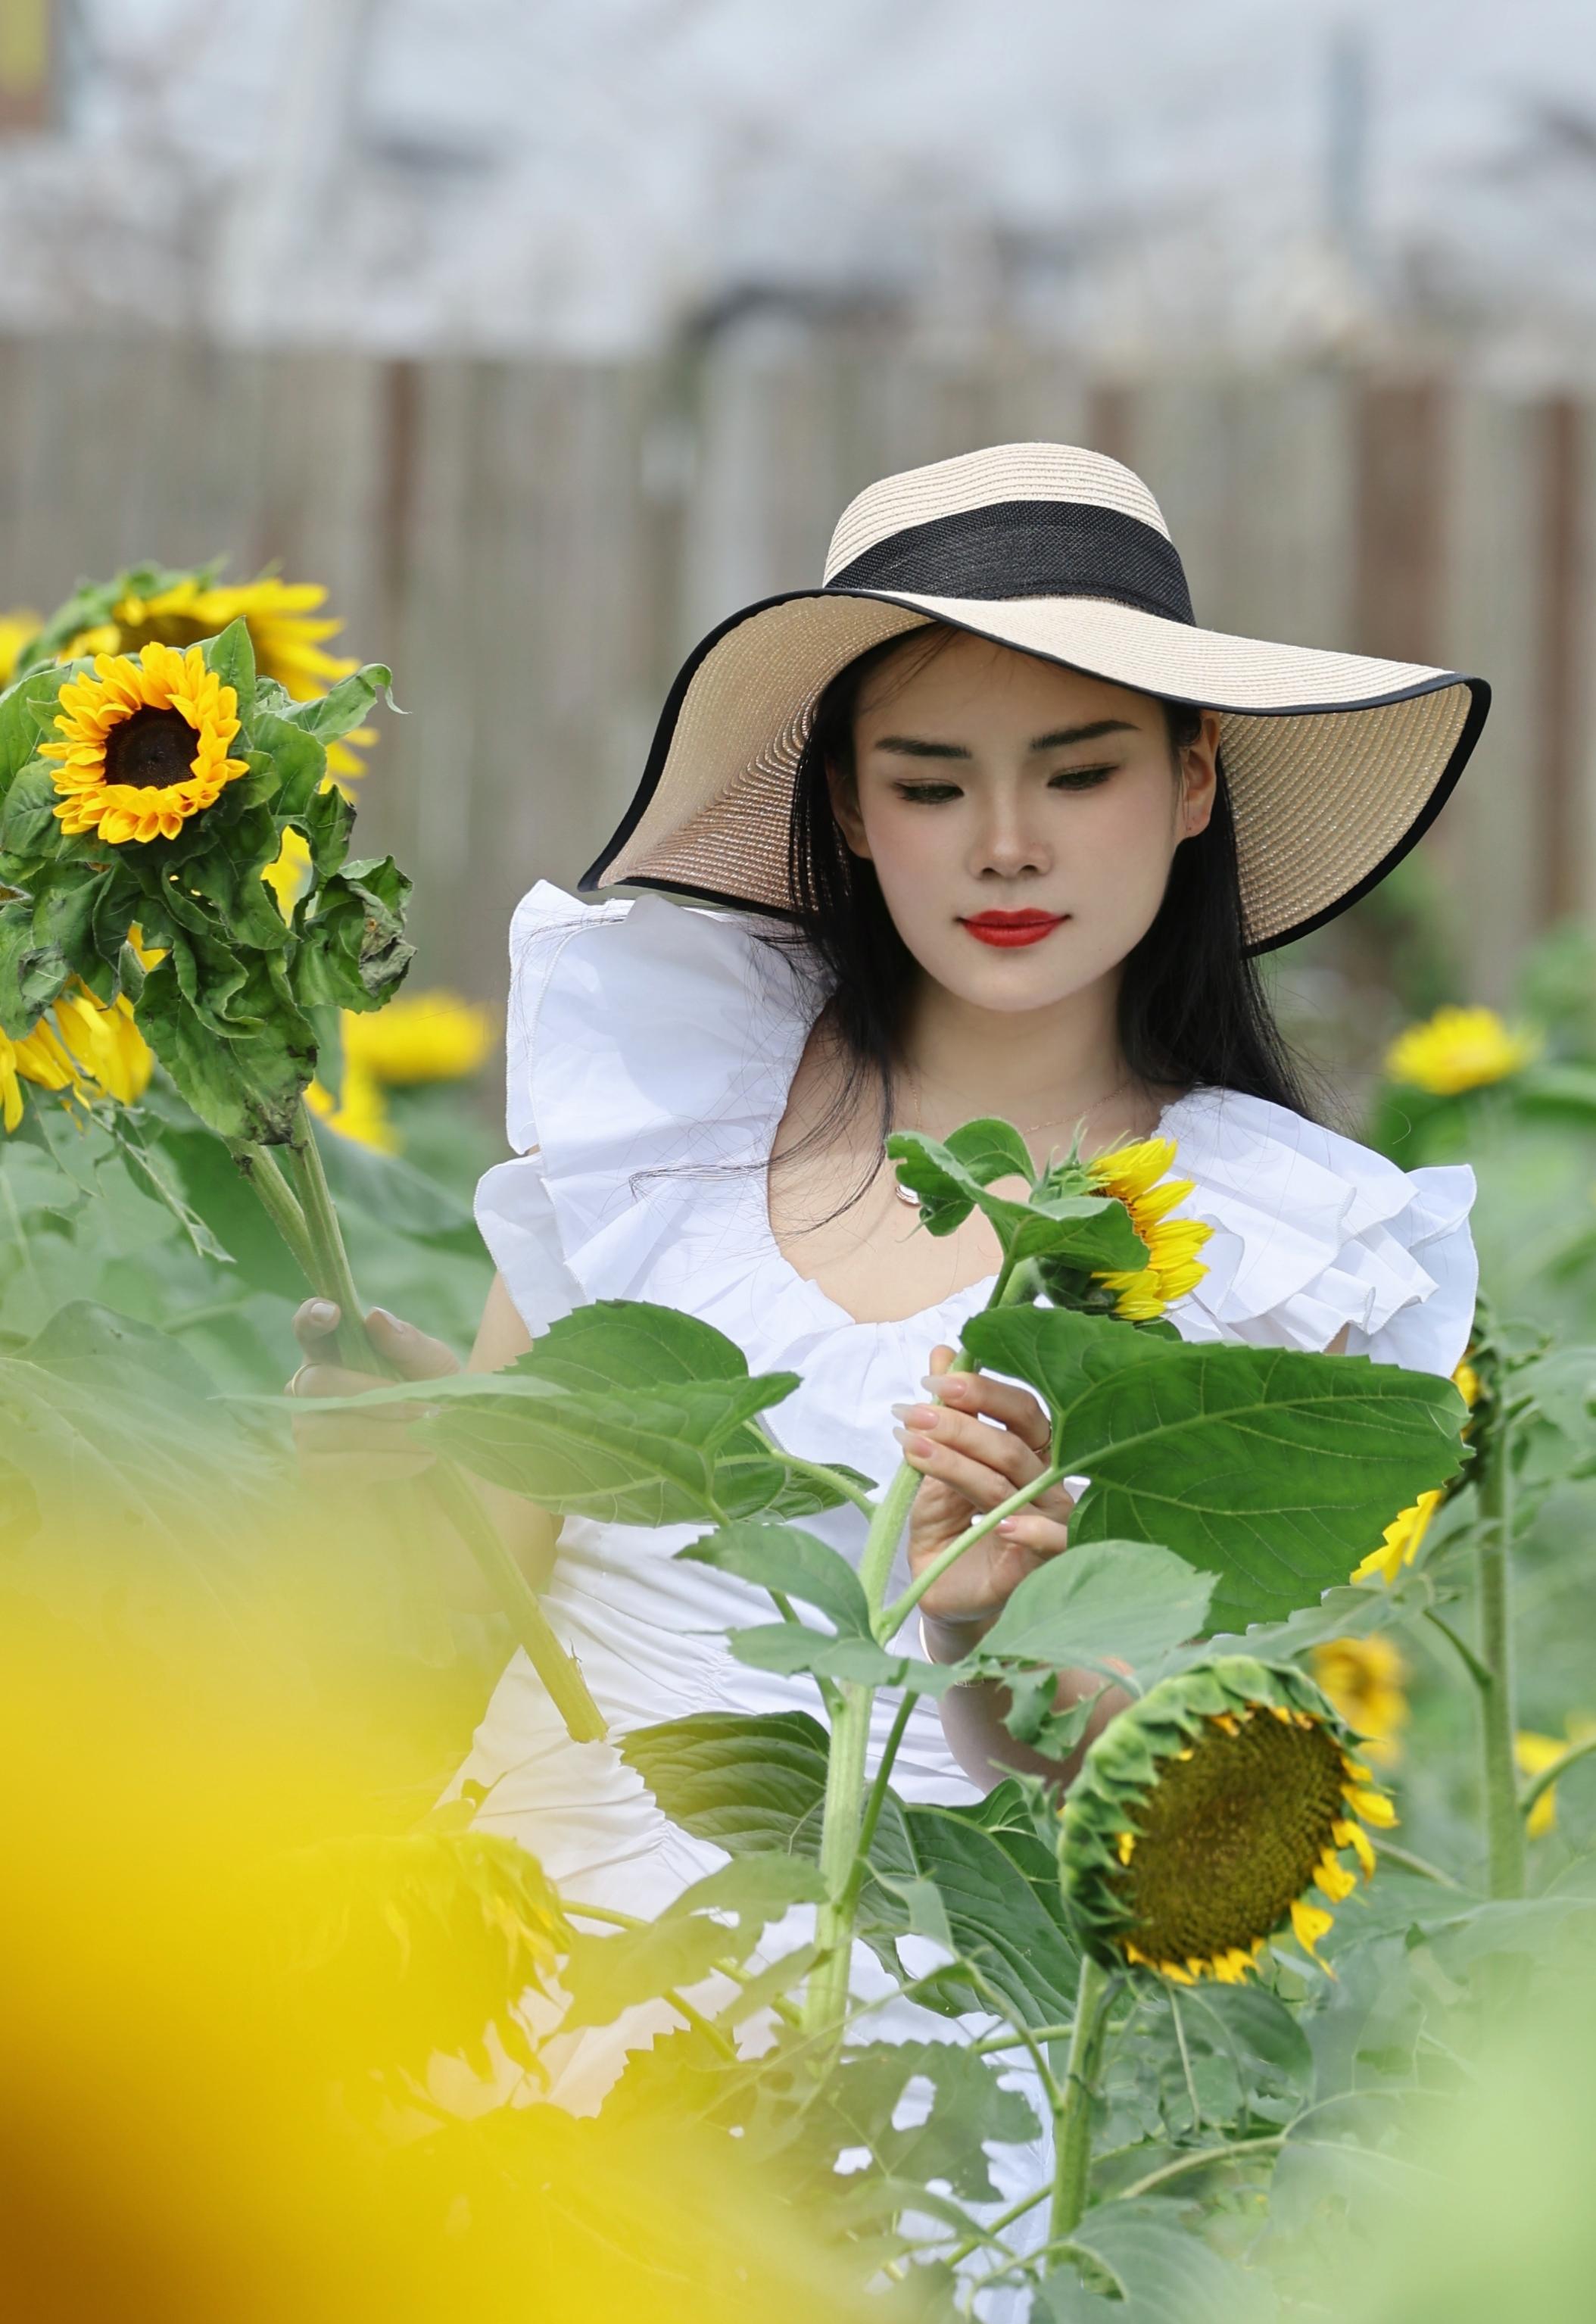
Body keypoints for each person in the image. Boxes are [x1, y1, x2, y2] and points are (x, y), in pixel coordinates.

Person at [290, 439, 1485, 1930]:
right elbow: (458, 1629)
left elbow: (1186, 1836)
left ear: (1191, 781)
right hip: (514, 1989)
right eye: (929, 785)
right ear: (851, 809)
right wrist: (427, 1472)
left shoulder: (1271, 1248)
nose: (1004, 847)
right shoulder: (665, 1106)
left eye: (1080, 771)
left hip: (918, 2073)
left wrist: (987, 1633)